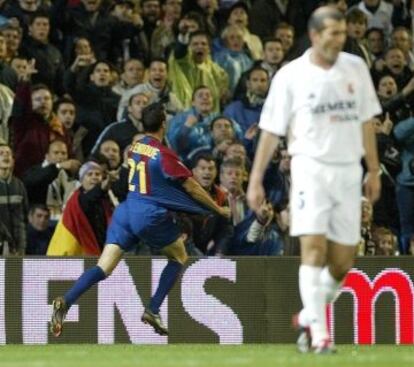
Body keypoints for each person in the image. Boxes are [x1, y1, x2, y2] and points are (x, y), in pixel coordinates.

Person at [246, 7, 381, 354]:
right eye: (334, 32)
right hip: (309, 168)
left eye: (342, 32)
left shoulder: (356, 68)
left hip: (349, 171)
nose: (341, 38)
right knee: (314, 249)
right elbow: (271, 131)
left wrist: (374, 170)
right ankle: (321, 334)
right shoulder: (291, 75)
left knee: (342, 263)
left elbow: (367, 122)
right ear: (316, 34)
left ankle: (309, 313)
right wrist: (256, 178)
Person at [50, 103, 230, 337]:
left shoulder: (136, 147)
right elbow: (192, 187)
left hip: (125, 211)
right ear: (164, 124)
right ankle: (153, 308)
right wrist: (217, 208)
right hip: (148, 214)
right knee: (179, 256)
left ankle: (66, 300)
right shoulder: (164, 154)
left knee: (103, 267)